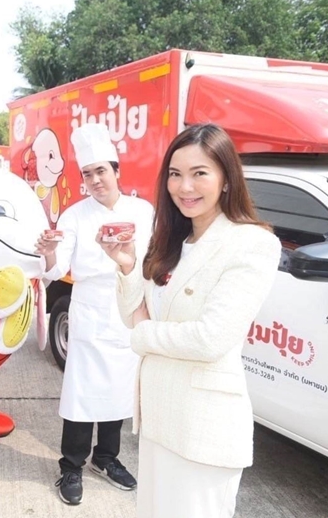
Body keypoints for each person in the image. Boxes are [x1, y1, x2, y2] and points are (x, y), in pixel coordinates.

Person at [99, 124, 281, 517]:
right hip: (159, 420)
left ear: (226, 178)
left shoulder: (252, 243)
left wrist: (143, 335)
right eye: (175, 174)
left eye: (200, 173)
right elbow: (135, 316)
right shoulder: (170, 241)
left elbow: (209, 339)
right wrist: (128, 266)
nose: (185, 187)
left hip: (203, 430)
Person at [35, 123, 154, 505]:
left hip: (127, 306)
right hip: (88, 308)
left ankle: (106, 458)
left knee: (119, 390)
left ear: (116, 170)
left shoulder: (143, 211)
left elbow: (151, 260)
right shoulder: (74, 215)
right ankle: (71, 465)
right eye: (87, 174)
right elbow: (57, 268)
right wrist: (48, 252)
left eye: (101, 170)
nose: (95, 180)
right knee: (82, 393)